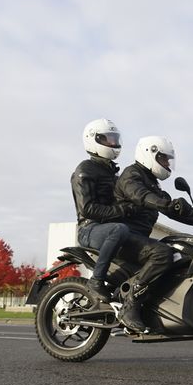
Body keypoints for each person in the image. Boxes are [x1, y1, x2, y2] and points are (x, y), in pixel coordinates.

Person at [112, 135, 193, 332]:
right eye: (163, 158)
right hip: (122, 238)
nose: (167, 164)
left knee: (178, 254)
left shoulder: (152, 182)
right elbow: (142, 196)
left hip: (137, 239)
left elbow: (169, 208)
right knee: (163, 253)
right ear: (149, 154)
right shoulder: (131, 176)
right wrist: (169, 204)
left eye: (168, 160)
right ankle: (130, 305)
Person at [71, 118, 134, 302]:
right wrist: (122, 211)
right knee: (119, 229)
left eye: (115, 139)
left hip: (107, 227)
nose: (113, 143)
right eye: (108, 139)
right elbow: (87, 208)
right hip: (89, 228)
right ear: (93, 139)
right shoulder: (85, 169)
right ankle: (96, 280)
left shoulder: (111, 171)